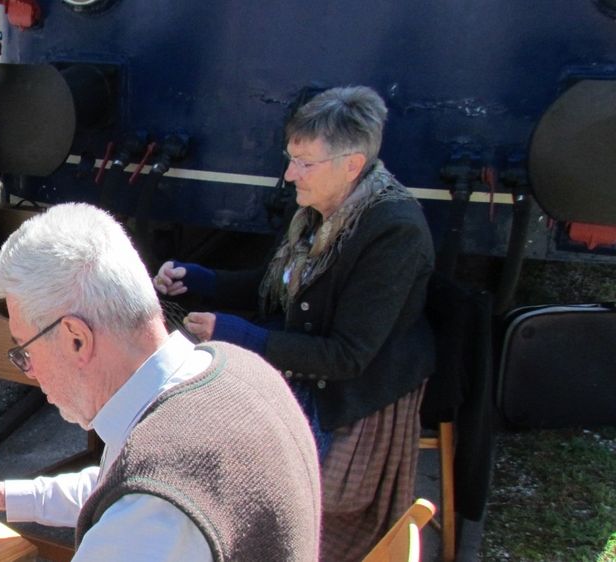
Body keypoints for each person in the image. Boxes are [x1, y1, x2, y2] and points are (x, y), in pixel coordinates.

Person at [0, 203, 321, 561]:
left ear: (75, 338)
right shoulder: (235, 368)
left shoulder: (155, 514)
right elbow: (119, 483)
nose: (27, 369)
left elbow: (145, 499)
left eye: (24, 350)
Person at [154, 86, 435, 560]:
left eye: (304, 163)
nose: (289, 174)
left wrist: (240, 335)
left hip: (352, 394)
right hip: (306, 368)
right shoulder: (317, 211)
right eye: (291, 159)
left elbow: (346, 356)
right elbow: (276, 287)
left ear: (353, 164)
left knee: (249, 486)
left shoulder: (393, 230)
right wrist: (199, 278)